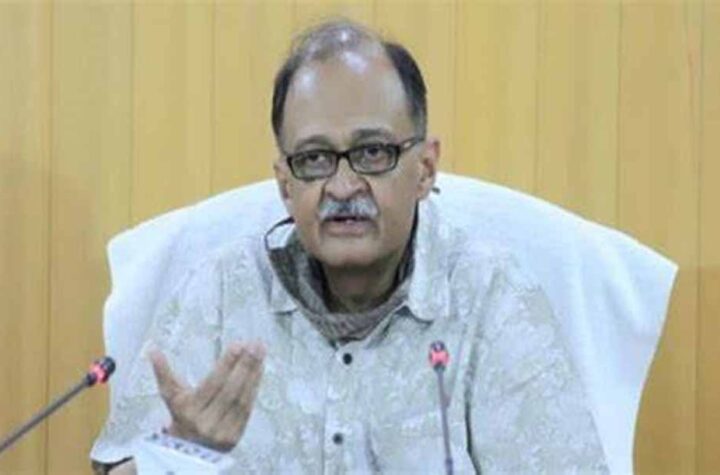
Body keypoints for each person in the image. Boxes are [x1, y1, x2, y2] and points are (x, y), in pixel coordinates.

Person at [91, 20, 608, 473]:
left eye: (372, 152)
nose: (342, 187)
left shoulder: (491, 298)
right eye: (315, 159)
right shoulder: (220, 293)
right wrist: (178, 456)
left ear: (425, 168)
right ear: (285, 184)